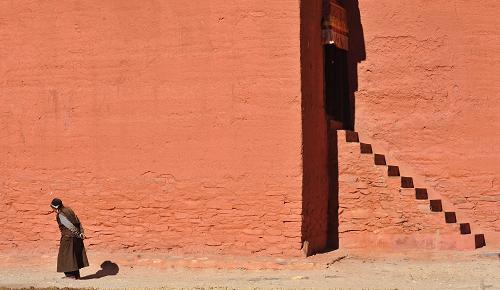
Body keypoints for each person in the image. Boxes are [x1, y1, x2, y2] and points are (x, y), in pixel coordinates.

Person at [50, 198, 89, 279]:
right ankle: (76, 275)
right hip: (76, 237)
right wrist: (81, 233)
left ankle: (70, 276)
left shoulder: (61, 214)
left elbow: (69, 226)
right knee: (74, 256)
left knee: (66, 256)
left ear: (56, 207)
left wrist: (78, 234)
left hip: (68, 238)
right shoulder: (69, 210)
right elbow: (78, 222)